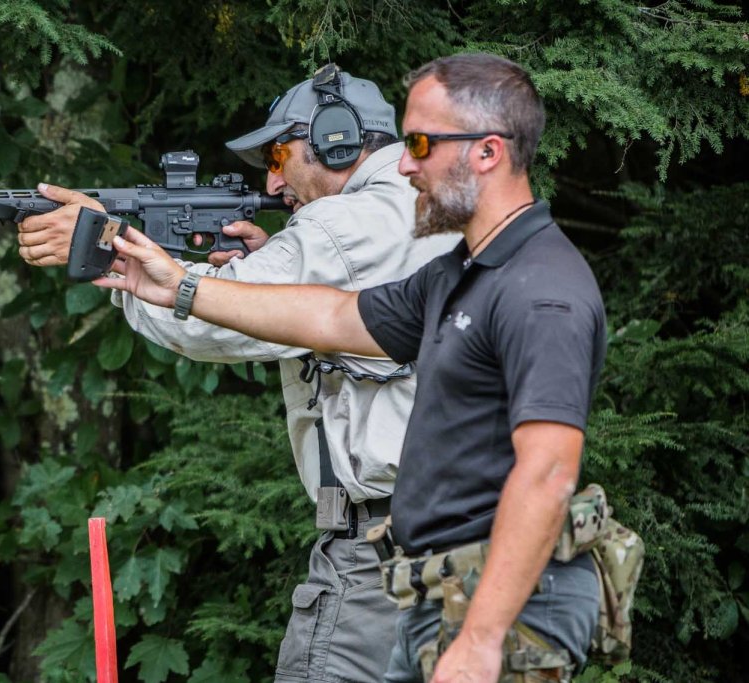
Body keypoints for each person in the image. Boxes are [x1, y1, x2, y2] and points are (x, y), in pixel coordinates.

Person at [92, 52, 605, 683]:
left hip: (490, 586)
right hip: (433, 571)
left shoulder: (541, 288)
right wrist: (182, 287)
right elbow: (334, 318)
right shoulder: (461, 273)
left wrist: (481, 637)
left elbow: (550, 472)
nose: (404, 164)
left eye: (419, 143)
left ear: (488, 152)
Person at [17, 66, 456, 682]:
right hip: (458, 533)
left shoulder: (343, 225)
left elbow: (205, 321)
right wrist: (257, 273)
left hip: (384, 550)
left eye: (280, 154)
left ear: (337, 139)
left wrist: (108, 247)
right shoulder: (421, 208)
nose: (273, 182)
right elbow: (313, 310)